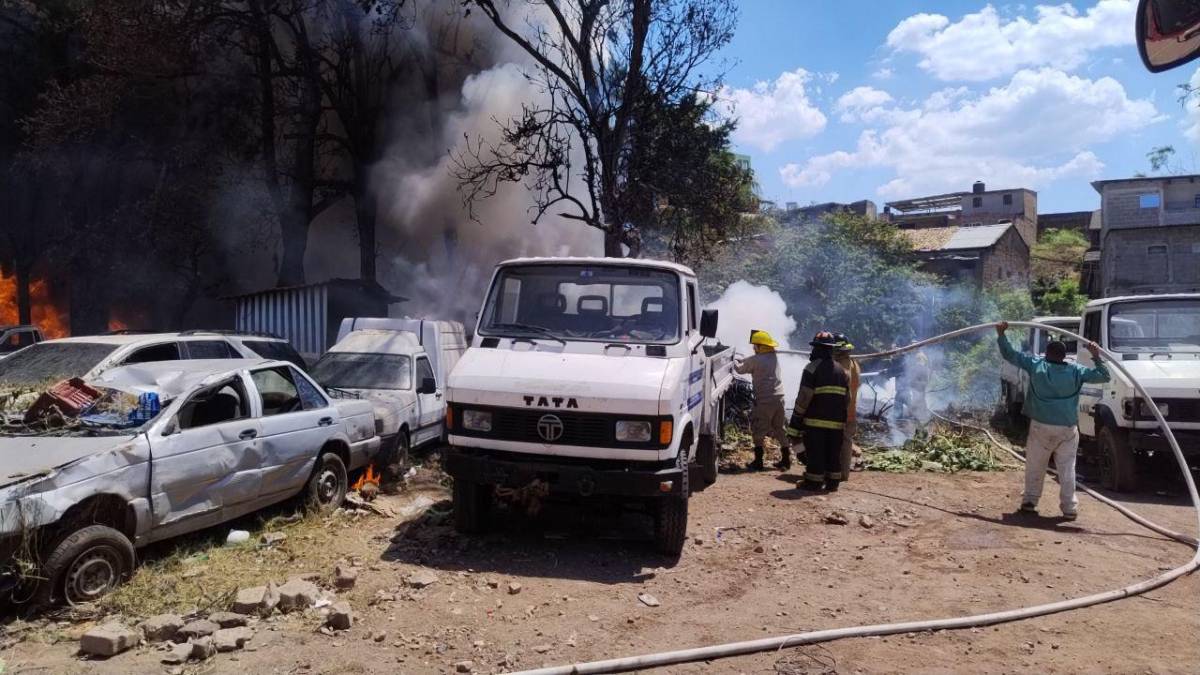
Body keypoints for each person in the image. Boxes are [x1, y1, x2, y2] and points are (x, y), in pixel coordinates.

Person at [996, 321, 1110, 520]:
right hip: (1067, 428)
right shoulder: (1076, 371)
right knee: (1067, 468)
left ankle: (1030, 501)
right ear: (1064, 356)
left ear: (1047, 354)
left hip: (1041, 426)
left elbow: (1010, 354)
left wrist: (1001, 334)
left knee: (1035, 465)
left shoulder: (1037, 366)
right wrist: (1096, 355)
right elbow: (1104, 376)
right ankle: (1069, 508)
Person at [786, 331, 850, 491]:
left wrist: (796, 421)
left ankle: (813, 482)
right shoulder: (841, 370)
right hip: (837, 423)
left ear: (819, 349)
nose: (812, 352)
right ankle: (833, 482)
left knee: (816, 453)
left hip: (815, 421)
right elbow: (847, 399)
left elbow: (804, 397)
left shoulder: (811, 368)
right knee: (833, 453)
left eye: (815, 348)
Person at [734, 330, 791, 471]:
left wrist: (733, 361)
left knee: (759, 429)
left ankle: (758, 462)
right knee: (779, 428)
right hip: (779, 398)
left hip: (765, 400)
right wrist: (746, 359)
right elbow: (753, 360)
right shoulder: (773, 357)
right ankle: (786, 460)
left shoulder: (756, 360)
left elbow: (739, 370)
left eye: (755, 345)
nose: (753, 348)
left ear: (760, 346)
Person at [831, 333, 861, 478]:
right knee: (846, 443)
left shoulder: (841, 367)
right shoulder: (854, 363)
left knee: (836, 443)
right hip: (851, 412)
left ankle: (834, 473)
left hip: (840, 413)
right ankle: (843, 474)